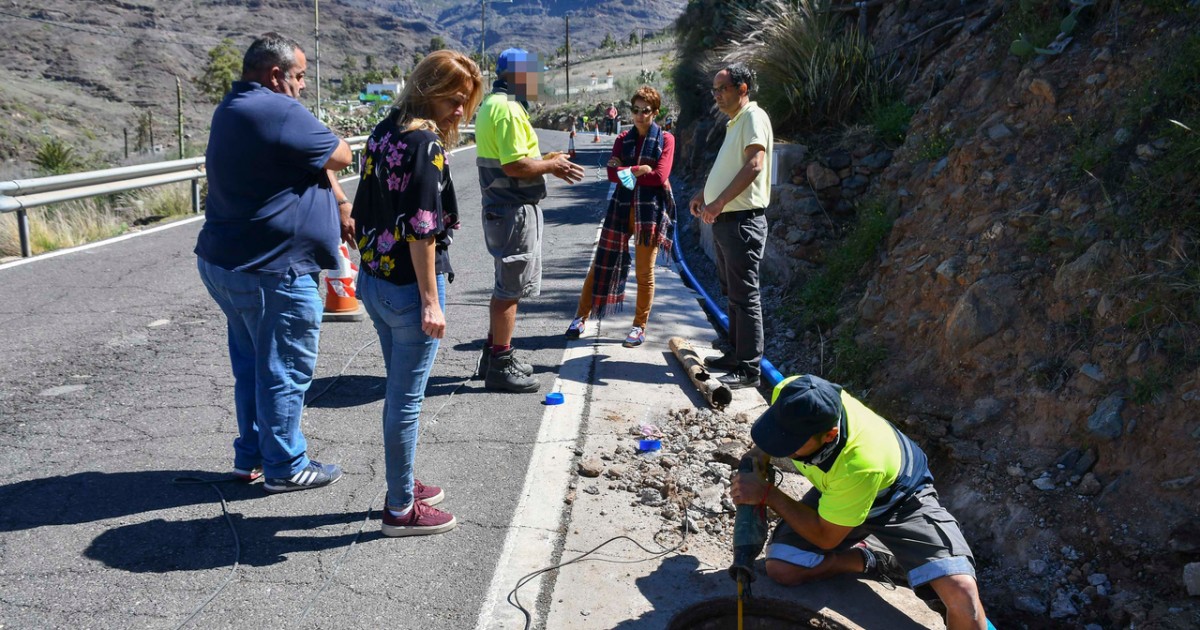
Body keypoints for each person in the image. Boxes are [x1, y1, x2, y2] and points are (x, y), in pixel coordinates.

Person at [195, 32, 350, 494]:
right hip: (273, 270)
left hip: (229, 264)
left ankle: (252, 458)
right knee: (284, 368)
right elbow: (340, 153)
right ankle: (286, 465)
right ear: (276, 74)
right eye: (299, 76)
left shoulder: (233, 106)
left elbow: (301, 164)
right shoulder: (278, 108)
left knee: (253, 366)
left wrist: (336, 201)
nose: (303, 86)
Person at [730, 375, 990, 630]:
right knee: (782, 567)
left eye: (790, 443)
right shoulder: (794, 390)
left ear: (830, 435)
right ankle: (871, 558)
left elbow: (825, 538)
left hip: (899, 500)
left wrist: (768, 494)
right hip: (839, 492)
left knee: (963, 597)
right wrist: (761, 451)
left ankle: (902, 551)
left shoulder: (860, 464)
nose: (781, 447)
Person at [352, 50, 484, 536]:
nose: (459, 113)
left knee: (397, 393)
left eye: (464, 103)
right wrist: (431, 299)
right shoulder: (426, 143)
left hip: (376, 282)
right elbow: (422, 229)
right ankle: (400, 509)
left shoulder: (384, 130)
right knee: (405, 402)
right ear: (428, 89)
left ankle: (401, 483)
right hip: (408, 289)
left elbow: (367, 208)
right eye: (454, 100)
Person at [475, 48, 584, 393]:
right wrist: (550, 165)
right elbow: (514, 166)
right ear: (517, 77)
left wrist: (545, 158)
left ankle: (493, 355)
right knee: (509, 288)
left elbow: (518, 157)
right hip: (512, 210)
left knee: (505, 284)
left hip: (502, 208)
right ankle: (500, 364)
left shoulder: (494, 104)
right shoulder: (508, 110)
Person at [565, 86, 675, 348]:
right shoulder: (623, 137)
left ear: (655, 112)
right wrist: (639, 169)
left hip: (649, 212)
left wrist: (627, 171)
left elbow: (659, 176)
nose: (639, 115)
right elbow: (612, 174)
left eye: (645, 111)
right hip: (620, 209)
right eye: (635, 110)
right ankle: (581, 317)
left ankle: (639, 326)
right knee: (602, 262)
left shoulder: (666, 140)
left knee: (644, 272)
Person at [687, 63, 773, 390]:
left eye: (722, 88)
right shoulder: (735, 122)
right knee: (733, 293)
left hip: (741, 221)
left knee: (745, 295)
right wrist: (704, 194)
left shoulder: (753, 116)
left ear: (743, 88)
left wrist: (719, 201)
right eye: (714, 90)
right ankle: (736, 355)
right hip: (727, 222)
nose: (717, 95)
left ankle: (749, 369)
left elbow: (754, 164)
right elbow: (731, 167)